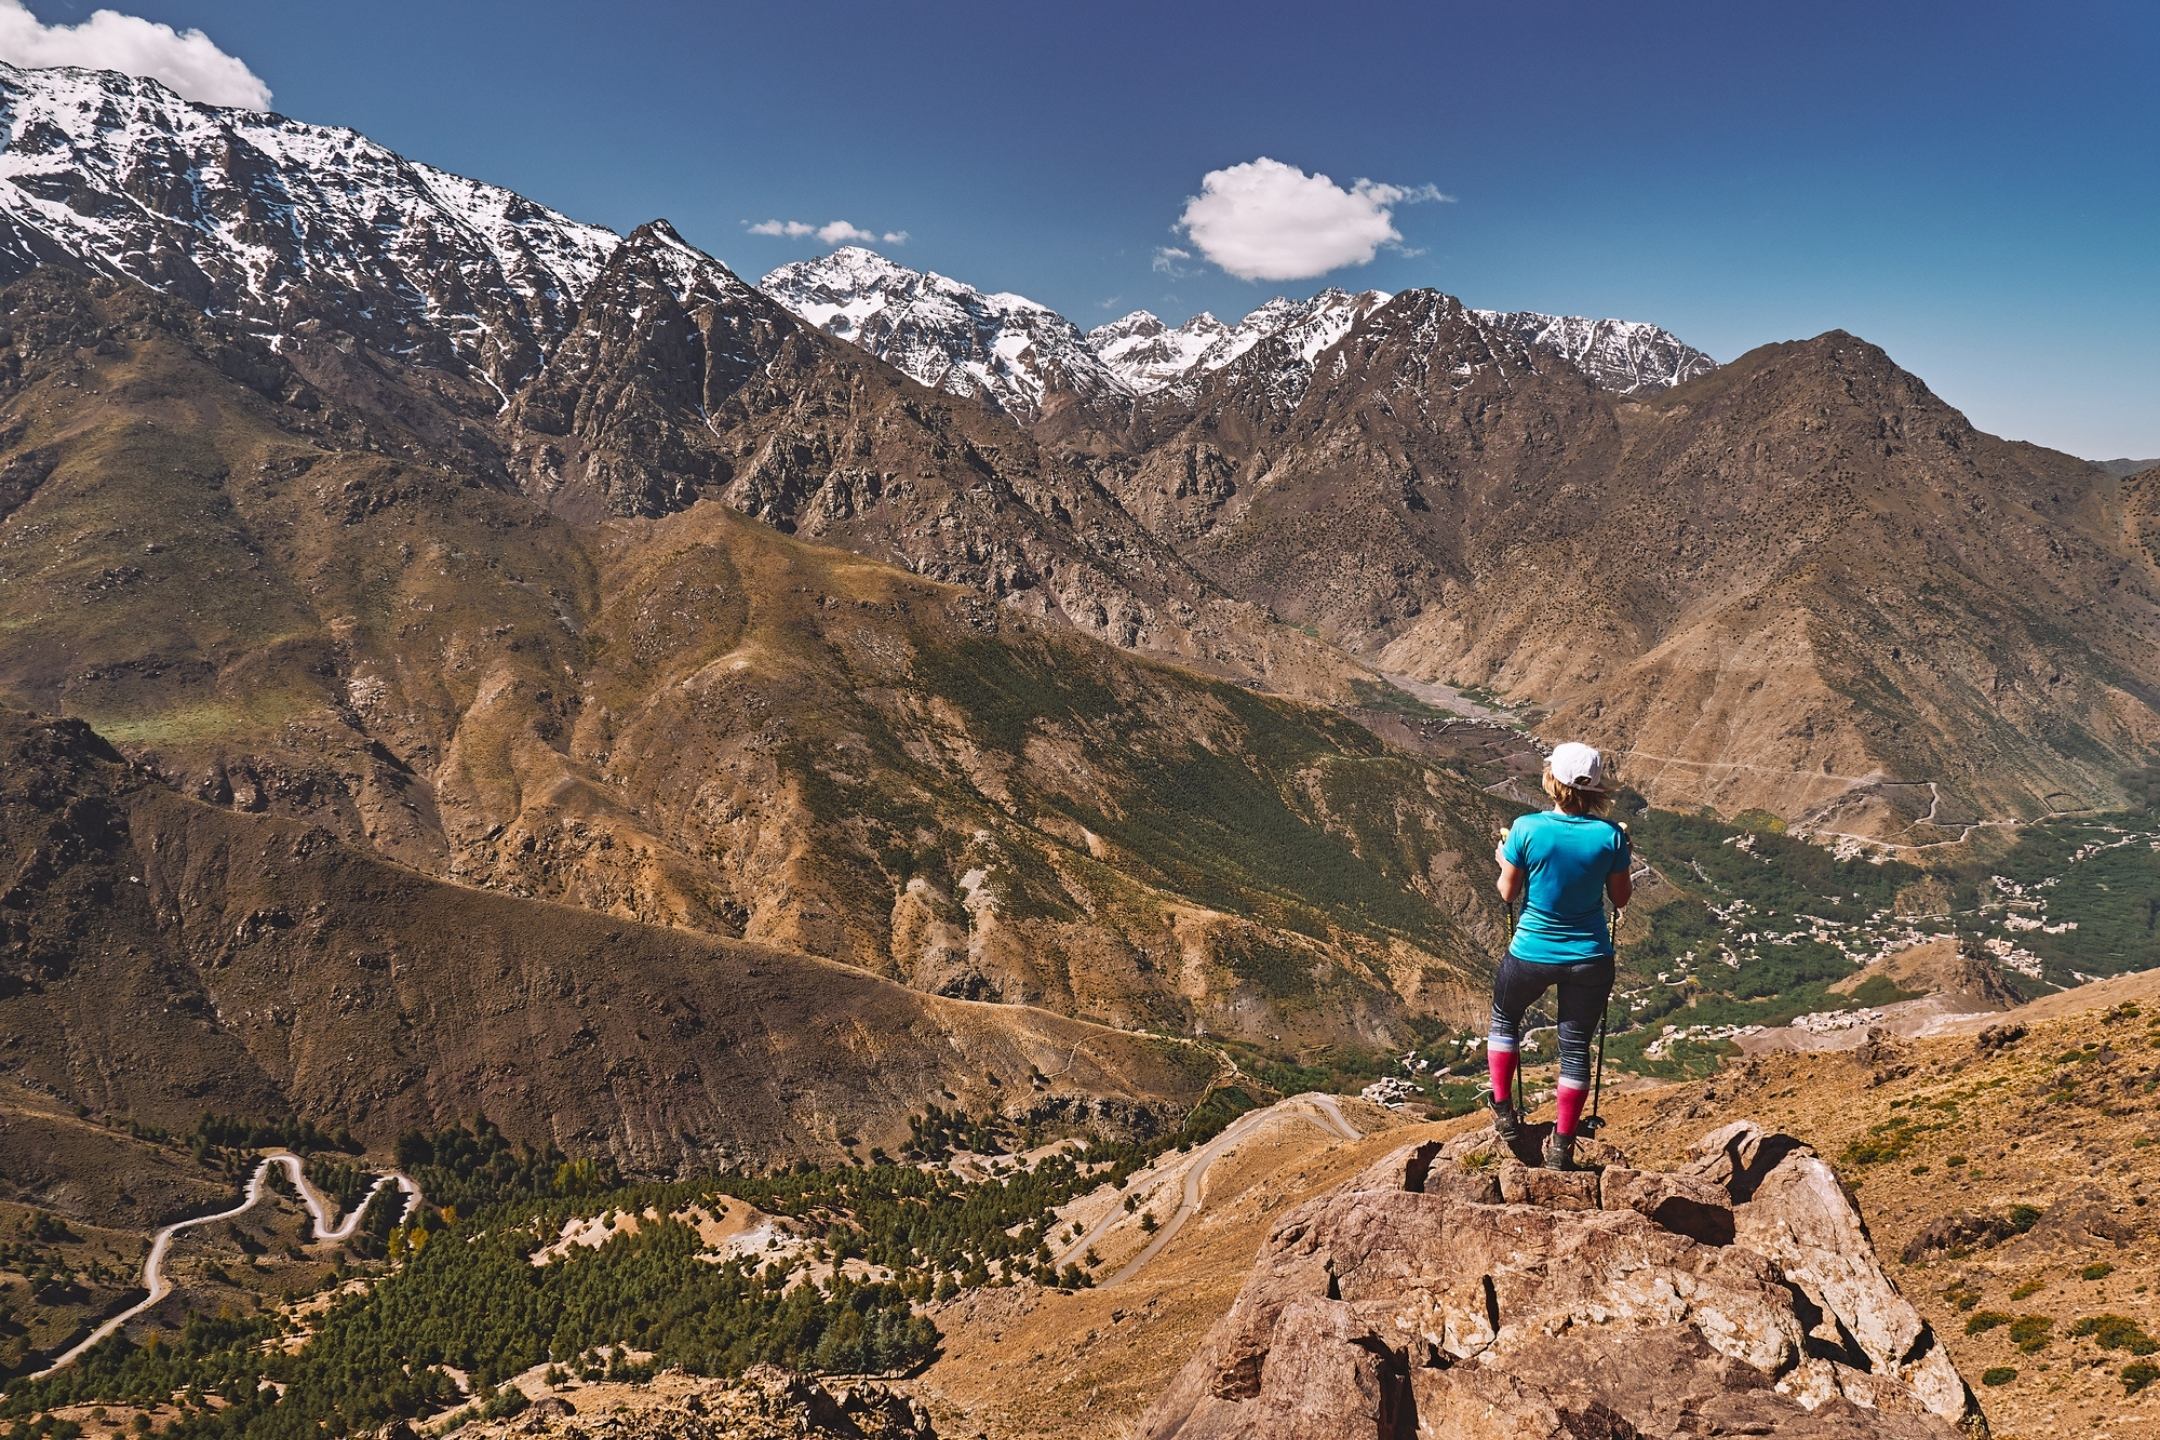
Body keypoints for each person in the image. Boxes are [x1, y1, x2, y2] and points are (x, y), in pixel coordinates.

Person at [1487, 741, 1632, 1171]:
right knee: (1574, 1048)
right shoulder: (1610, 837)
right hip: (1590, 956)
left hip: (1532, 950)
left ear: (1552, 780)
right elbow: (1620, 900)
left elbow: (1507, 893)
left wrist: (1503, 858)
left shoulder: (1526, 829)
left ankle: (1503, 1112)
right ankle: (1562, 1143)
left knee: (1504, 1019)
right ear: (1596, 790)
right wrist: (1620, 854)